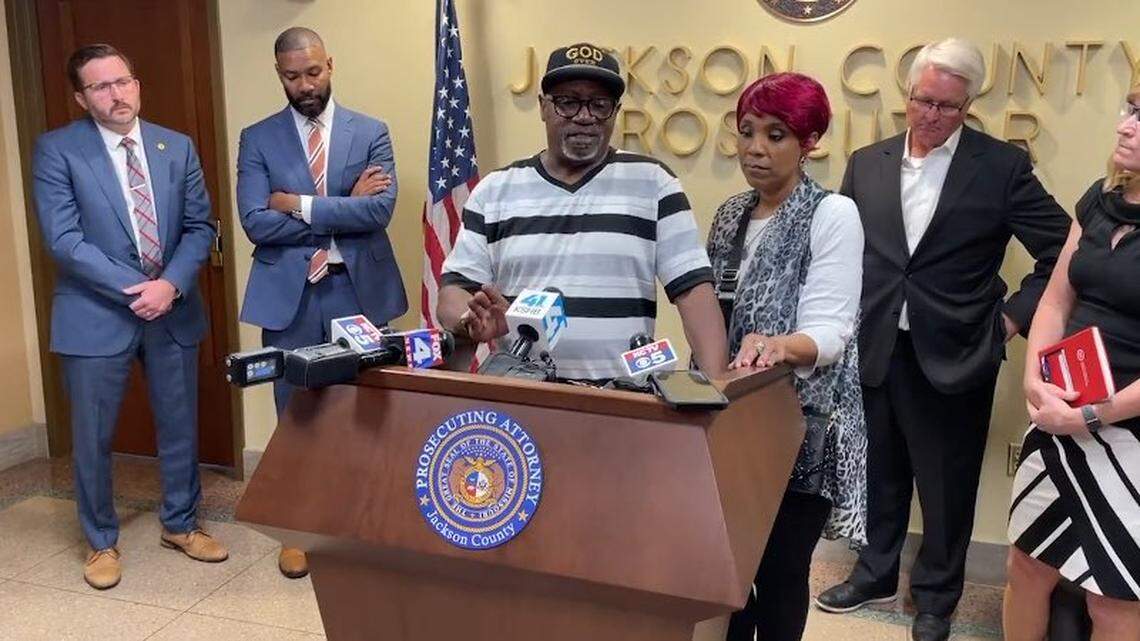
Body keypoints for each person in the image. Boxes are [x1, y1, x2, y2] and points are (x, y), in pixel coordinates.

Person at [815, 37, 1071, 641]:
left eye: (947, 107)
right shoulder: (867, 161)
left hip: (957, 350)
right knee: (877, 472)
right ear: (907, 95)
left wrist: (1009, 319)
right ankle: (874, 573)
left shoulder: (1001, 167)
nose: (930, 115)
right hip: (875, 345)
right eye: (921, 100)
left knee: (946, 485)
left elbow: (1061, 250)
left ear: (968, 106)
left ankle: (936, 595)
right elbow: (848, 252)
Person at [32, 43, 224, 590]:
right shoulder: (57, 151)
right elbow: (64, 240)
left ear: (136, 83)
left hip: (172, 310)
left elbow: (197, 225)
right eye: (100, 86)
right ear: (81, 97)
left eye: (123, 81)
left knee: (180, 425)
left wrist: (170, 285)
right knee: (92, 434)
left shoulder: (176, 147)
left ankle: (182, 525)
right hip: (94, 314)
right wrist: (140, 288)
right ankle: (99, 542)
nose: (116, 94)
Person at [436, 43, 727, 379]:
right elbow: (455, 290)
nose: (585, 117)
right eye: (568, 102)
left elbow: (693, 292)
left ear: (615, 112)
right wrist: (470, 322)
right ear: (543, 107)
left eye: (599, 105)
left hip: (625, 402)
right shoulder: (494, 190)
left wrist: (718, 393)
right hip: (521, 398)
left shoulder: (654, 183)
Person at [236, 26, 404, 579]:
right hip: (292, 298)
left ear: (330, 64)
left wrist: (298, 204)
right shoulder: (257, 138)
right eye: (292, 76)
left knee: (364, 415)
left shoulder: (371, 131)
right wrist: (338, 207)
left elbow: (377, 213)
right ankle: (299, 532)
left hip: (358, 291)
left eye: (313, 72)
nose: (305, 85)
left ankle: (361, 523)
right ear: (278, 74)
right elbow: (255, 222)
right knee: (295, 416)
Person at [707, 73, 867, 641]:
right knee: (731, 570)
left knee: (778, 571)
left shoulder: (833, 214)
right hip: (734, 419)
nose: (756, 148)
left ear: (811, 141)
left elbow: (830, 335)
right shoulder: (729, 214)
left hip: (804, 426)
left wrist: (778, 344)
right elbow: (716, 317)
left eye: (777, 135)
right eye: (747, 132)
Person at [1004, 88, 1140, 641]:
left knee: (1114, 599)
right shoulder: (1100, 198)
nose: (1126, 126)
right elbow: (1057, 299)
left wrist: (1091, 417)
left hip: (1129, 434)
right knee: (1027, 568)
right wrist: (1036, 378)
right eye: (1131, 110)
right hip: (1059, 417)